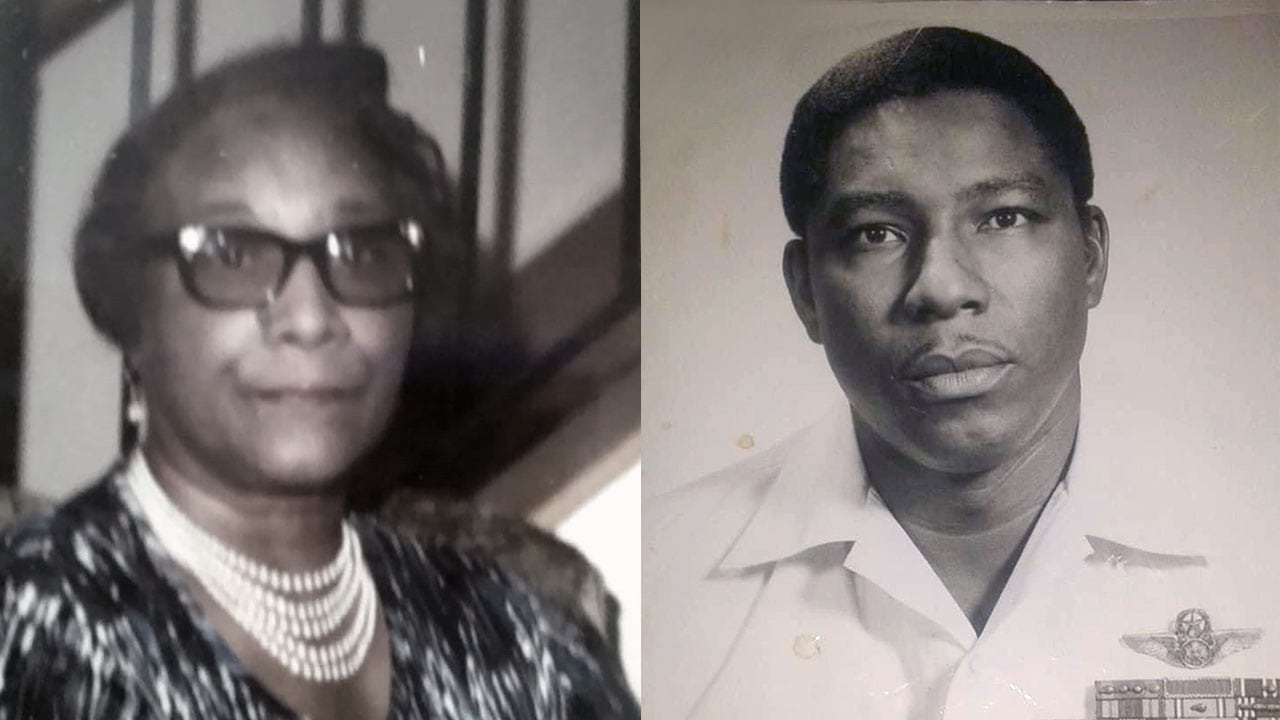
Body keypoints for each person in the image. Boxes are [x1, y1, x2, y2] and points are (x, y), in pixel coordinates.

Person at [644, 26, 1278, 720]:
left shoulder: (1261, 548)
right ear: (805, 292)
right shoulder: (654, 582)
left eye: (1003, 218)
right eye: (877, 233)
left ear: (1091, 257)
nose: (942, 288)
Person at [0, 44, 637, 720]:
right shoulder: (36, 626)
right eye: (232, 254)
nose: (309, 318)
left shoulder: (521, 636)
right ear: (134, 316)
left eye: (360, 252)